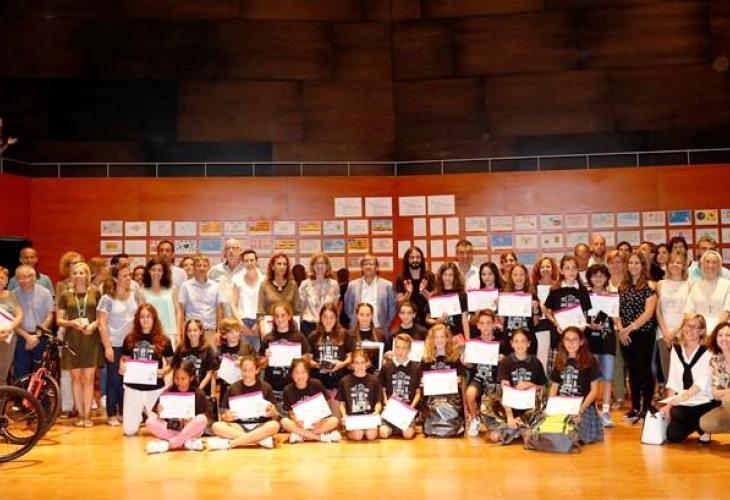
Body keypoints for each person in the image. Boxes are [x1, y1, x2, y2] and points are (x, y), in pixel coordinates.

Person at [56, 262, 102, 427]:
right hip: (72, 340)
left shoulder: (96, 293)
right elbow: (59, 320)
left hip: (91, 339)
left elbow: (101, 317)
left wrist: (93, 325)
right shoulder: (65, 295)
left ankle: (88, 415)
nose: (78, 275)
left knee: (88, 378)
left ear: (88, 275)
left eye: (82, 272)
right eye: (75, 273)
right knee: (75, 378)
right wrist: (72, 323)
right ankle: (80, 414)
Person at [659, 314, 716, 443]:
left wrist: (679, 400)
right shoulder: (676, 349)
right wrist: (668, 405)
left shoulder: (708, 351)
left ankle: (703, 427)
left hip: (704, 400)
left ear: (702, 331)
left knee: (678, 411)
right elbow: (673, 380)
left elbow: (701, 383)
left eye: (694, 327)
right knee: (673, 436)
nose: (689, 330)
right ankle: (699, 426)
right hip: (684, 402)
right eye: (687, 325)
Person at [120, 304, 174, 436]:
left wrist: (165, 371)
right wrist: (122, 366)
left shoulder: (164, 340)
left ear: (154, 319)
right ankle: (138, 417)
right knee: (129, 431)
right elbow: (124, 359)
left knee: (161, 430)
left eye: (148, 316)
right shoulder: (130, 339)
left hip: (155, 389)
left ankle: (147, 416)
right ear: (137, 319)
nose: (145, 320)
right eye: (142, 316)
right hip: (133, 388)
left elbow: (173, 363)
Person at [617, 251, 658, 422]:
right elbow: (616, 312)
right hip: (625, 335)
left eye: (637, 263)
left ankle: (646, 407)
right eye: (630, 263)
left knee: (645, 371)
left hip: (643, 334)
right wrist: (621, 330)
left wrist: (629, 329)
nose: (633, 266)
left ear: (643, 265)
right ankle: (634, 408)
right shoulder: (622, 286)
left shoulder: (650, 286)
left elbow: (648, 313)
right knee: (632, 371)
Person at [209, 354, 280, 450]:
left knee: (274, 425)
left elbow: (275, 415)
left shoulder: (266, 387)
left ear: (257, 370)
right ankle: (259, 440)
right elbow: (224, 414)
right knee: (216, 426)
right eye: (244, 370)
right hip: (239, 426)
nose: (247, 373)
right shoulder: (233, 388)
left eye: (250, 370)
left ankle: (231, 443)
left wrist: (273, 412)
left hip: (260, 425)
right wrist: (226, 417)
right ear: (240, 370)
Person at [97, 264, 138, 426]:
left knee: (127, 380)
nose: (128, 278)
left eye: (129, 275)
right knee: (114, 379)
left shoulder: (134, 295)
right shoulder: (107, 299)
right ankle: (111, 413)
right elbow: (101, 324)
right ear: (115, 278)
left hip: (131, 345)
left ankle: (123, 411)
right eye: (124, 276)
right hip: (114, 343)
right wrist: (107, 347)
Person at [548, 326, 603, 444]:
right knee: (548, 427)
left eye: (574, 339)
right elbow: (554, 388)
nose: (571, 343)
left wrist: (580, 410)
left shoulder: (590, 360)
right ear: (563, 342)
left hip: (583, 407)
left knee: (572, 430)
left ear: (581, 342)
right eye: (567, 339)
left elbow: (594, 391)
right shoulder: (560, 360)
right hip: (562, 405)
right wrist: (550, 408)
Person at [144, 360, 210, 454]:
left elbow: (203, 419)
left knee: (202, 419)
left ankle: (173, 442)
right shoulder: (168, 392)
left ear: (191, 378)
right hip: (173, 428)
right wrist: (159, 412)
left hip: (190, 429)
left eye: (183, 379)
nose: (179, 382)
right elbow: (161, 419)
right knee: (149, 422)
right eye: (176, 378)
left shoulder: (199, 394)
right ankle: (184, 441)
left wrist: (190, 420)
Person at [494, 329, 547, 443]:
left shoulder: (536, 362)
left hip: (529, 407)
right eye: (516, 341)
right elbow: (504, 391)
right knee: (495, 437)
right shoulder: (506, 362)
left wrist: (531, 384)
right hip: (510, 406)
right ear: (511, 344)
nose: (520, 345)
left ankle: (520, 428)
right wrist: (509, 416)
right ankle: (516, 427)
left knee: (531, 437)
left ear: (529, 343)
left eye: (523, 341)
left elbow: (543, 388)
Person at [544, 256, 592, 374]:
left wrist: (583, 325)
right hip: (558, 337)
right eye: (567, 268)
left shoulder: (583, 290)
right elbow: (547, 311)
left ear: (578, 270)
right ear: (561, 271)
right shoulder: (555, 290)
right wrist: (556, 323)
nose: (571, 271)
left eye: (574, 268)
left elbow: (585, 314)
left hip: (576, 339)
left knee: (576, 372)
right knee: (556, 372)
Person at [585, 264, 618, 427]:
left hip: (608, 339)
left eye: (602, 275)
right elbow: (580, 317)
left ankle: (606, 411)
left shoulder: (612, 296)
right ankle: (592, 411)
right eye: (595, 275)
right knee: (592, 377)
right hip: (590, 340)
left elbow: (616, 317)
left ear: (606, 278)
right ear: (589, 278)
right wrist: (589, 325)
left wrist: (623, 328)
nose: (598, 279)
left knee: (608, 376)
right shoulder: (585, 296)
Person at [307, 303, 354, 415]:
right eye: (325, 317)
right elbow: (307, 360)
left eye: (331, 317)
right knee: (322, 417)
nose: (328, 320)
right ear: (320, 318)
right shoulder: (313, 336)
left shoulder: (344, 334)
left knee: (336, 417)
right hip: (319, 383)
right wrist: (318, 365)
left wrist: (342, 364)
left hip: (339, 382)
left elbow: (351, 356)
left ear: (336, 318)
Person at [655, 251, 692, 395]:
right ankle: (671, 401)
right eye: (672, 262)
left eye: (678, 262)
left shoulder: (690, 284)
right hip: (663, 333)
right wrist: (666, 333)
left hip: (683, 332)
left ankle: (683, 399)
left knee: (683, 369)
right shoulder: (661, 284)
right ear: (667, 265)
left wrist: (675, 332)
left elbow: (689, 312)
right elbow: (658, 311)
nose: (675, 265)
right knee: (667, 369)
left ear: (684, 265)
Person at [281, 358, 341, 443]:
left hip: (318, 423)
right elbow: (291, 413)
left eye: (303, 372)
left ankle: (302, 435)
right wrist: (296, 421)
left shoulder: (316, 384)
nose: (300, 376)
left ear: (308, 373)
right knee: (284, 421)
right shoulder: (287, 389)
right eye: (296, 373)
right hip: (300, 424)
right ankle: (320, 437)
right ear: (291, 374)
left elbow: (326, 407)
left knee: (334, 420)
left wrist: (320, 420)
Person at [421, 324, 466, 437]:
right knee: (435, 405)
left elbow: (462, 379)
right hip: (432, 397)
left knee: (447, 406)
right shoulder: (426, 359)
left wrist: (459, 379)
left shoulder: (455, 357)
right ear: (432, 340)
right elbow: (421, 381)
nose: (439, 340)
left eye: (442, 337)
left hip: (451, 398)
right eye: (436, 337)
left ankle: (445, 424)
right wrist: (422, 382)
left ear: (447, 338)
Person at [463, 310, 503, 437]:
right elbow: (470, 366)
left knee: (492, 405)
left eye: (488, 323)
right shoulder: (474, 343)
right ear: (478, 325)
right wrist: (465, 362)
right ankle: (475, 419)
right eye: (482, 323)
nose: (485, 326)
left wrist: (503, 359)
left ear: (494, 324)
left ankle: (495, 422)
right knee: (470, 394)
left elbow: (508, 364)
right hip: (479, 377)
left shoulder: (501, 342)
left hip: (495, 380)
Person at [259, 302, 310, 398]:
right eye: (277, 316)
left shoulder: (299, 337)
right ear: (273, 318)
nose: (280, 319)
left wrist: (300, 358)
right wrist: (266, 358)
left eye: (283, 315)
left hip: (293, 387)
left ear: (289, 316)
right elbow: (261, 365)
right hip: (273, 387)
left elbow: (307, 361)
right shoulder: (268, 338)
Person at [12, 265, 53, 381]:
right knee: (20, 373)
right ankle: (20, 393)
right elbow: (13, 320)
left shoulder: (45, 293)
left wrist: (37, 335)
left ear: (33, 277)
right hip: (22, 338)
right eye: (19, 278)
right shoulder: (13, 295)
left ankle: (40, 394)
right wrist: (27, 337)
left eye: (25, 277)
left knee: (41, 374)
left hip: (41, 338)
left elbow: (50, 315)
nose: (21, 281)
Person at [378, 333, 422, 440]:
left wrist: (411, 408)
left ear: (409, 350)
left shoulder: (416, 367)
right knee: (383, 434)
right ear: (394, 348)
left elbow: (418, 392)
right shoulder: (386, 367)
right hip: (390, 410)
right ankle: (394, 428)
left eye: (404, 348)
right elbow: (382, 389)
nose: (400, 351)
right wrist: (386, 403)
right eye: (397, 347)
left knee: (408, 435)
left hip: (406, 411)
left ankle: (403, 428)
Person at [344, 254, 396, 336]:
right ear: (361, 267)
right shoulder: (352, 285)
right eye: (365, 264)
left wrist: (386, 323)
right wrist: (355, 319)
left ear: (376, 267)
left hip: (380, 329)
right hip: (358, 329)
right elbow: (348, 308)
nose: (368, 266)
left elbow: (392, 308)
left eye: (371, 264)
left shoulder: (387, 285)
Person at [337, 349, 383, 441]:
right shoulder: (344, 381)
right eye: (356, 363)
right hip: (352, 417)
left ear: (367, 363)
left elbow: (378, 402)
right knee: (358, 435)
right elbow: (342, 403)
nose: (360, 366)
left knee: (371, 435)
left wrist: (376, 412)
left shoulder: (374, 380)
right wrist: (344, 415)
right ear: (352, 364)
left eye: (362, 362)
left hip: (369, 416)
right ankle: (348, 432)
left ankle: (365, 431)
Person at [139, 256, 183, 348]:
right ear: (148, 271)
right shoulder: (142, 292)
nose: (156, 273)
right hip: (151, 334)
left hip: (170, 333)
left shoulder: (172, 289)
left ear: (164, 272)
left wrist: (179, 333)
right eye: (153, 270)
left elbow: (178, 311)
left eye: (159, 270)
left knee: (171, 357)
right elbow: (141, 316)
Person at [179, 254, 222, 346]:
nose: (202, 268)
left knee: (211, 355)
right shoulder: (185, 286)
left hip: (210, 331)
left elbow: (219, 310)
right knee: (191, 355)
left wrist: (219, 332)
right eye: (199, 265)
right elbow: (180, 311)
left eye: (204, 266)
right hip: (191, 333)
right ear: (194, 267)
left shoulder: (216, 286)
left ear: (209, 267)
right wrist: (181, 332)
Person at [684, 250, 730, 334]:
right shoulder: (695, 286)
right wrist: (698, 331)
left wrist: (714, 333)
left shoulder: (727, 285)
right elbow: (689, 312)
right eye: (707, 262)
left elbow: (726, 312)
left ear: (719, 265)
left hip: (721, 331)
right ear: (702, 265)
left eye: (714, 262)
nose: (710, 265)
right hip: (698, 331)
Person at [499, 263, 540, 356]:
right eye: (515, 275)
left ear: (526, 276)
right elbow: (502, 322)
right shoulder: (505, 296)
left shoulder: (532, 295)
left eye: (521, 274)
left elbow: (535, 323)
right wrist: (499, 306)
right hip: (509, 339)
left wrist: (536, 309)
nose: (519, 277)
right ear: (511, 277)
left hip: (528, 340)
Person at [699, 322, 730, 437]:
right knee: (705, 423)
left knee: (727, 399)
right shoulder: (715, 361)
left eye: (728, 335)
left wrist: (725, 394)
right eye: (720, 335)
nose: (724, 338)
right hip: (727, 406)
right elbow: (715, 394)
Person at [257, 252, 302, 332]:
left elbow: (297, 311)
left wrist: (296, 328)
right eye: (279, 264)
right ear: (273, 267)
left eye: (285, 264)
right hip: (269, 328)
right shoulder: (264, 285)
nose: (282, 267)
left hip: (289, 329)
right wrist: (263, 330)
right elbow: (260, 313)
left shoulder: (293, 285)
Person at [426, 262, 469, 343]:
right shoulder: (434, 295)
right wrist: (437, 321)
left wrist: (468, 340)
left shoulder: (461, 294)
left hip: (457, 336)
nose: (447, 278)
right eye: (445, 275)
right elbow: (427, 319)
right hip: (439, 337)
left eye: (450, 275)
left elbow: (464, 319)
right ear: (440, 276)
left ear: (455, 276)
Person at [172, 319, 218, 396]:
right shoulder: (180, 348)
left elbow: (209, 374)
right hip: (183, 391)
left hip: (201, 391)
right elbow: (175, 370)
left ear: (201, 332)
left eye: (195, 330)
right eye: (189, 331)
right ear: (186, 333)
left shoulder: (208, 349)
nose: (192, 333)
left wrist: (198, 390)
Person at [298, 252, 339, 336]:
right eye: (317, 263)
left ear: (327, 265)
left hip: (328, 325)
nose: (320, 266)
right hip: (308, 326)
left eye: (322, 263)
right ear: (312, 266)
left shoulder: (334, 284)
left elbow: (334, 307)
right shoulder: (305, 284)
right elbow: (301, 308)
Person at [230, 249, 264, 350]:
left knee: (259, 355)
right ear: (242, 262)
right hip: (242, 322)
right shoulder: (237, 279)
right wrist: (240, 324)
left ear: (256, 261)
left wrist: (259, 323)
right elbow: (233, 304)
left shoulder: (264, 279)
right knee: (243, 355)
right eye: (246, 261)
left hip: (258, 322)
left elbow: (266, 305)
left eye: (252, 260)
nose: (249, 263)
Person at [607, 249, 628, 409]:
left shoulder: (630, 282)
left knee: (633, 362)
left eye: (619, 262)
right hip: (612, 329)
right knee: (617, 363)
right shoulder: (605, 284)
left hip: (630, 328)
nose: (615, 265)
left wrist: (625, 328)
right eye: (612, 262)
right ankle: (619, 396)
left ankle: (639, 396)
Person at [395, 246, 434, 327]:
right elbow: (399, 303)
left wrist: (424, 292)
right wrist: (408, 293)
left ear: (422, 259)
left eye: (418, 257)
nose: (415, 260)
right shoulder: (401, 277)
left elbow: (435, 301)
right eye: (412, 257)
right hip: (408, 318)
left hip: (427, 318)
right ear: (407, 259)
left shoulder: (430, 276)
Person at [208, 238, 244, 318]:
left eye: (234, 248)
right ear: (224, 253)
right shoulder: (214, 270)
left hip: (241, 318)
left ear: (240, 251)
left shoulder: (246, 270)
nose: (231, 251)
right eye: (228, 248)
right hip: (220, 317)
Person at [0, 266, 23, 385]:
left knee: (2, 375)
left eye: (2, 278)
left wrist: (10, 327)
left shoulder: (12, 295)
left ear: (7, 280)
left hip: (7, 339)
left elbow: (20, 315)